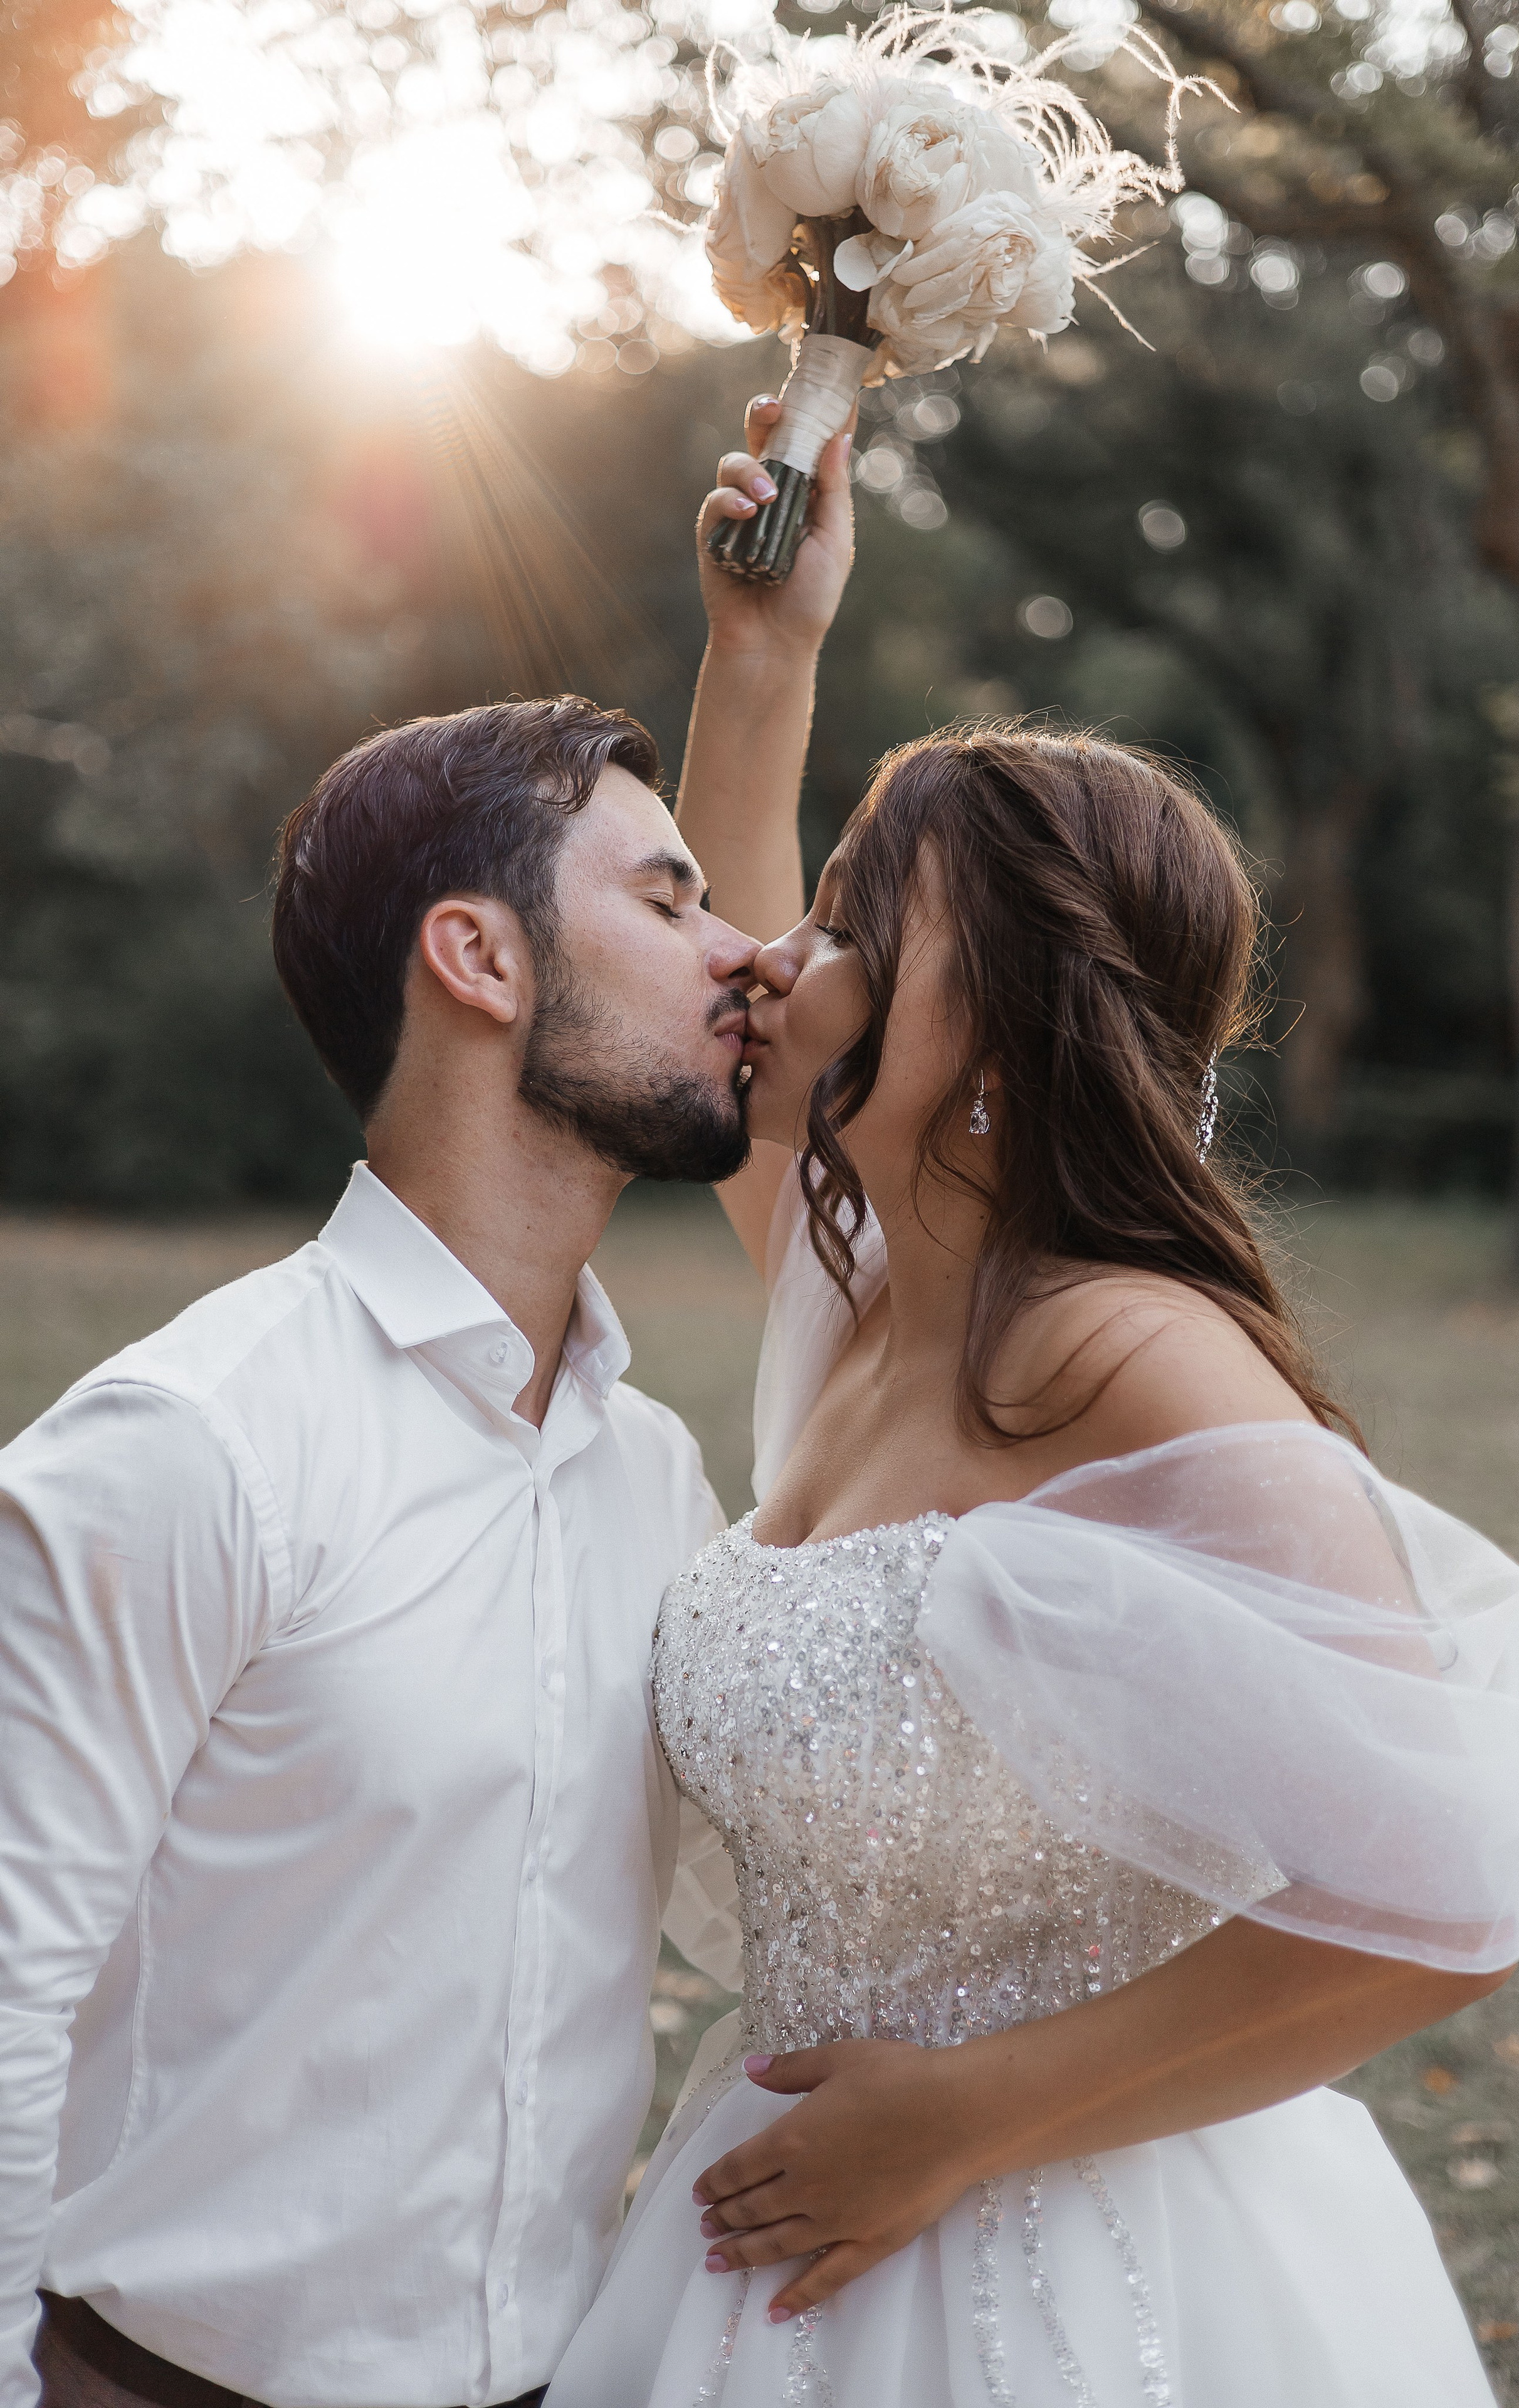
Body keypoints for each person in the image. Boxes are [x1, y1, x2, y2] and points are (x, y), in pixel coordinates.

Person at [545, 413, 1519, 2407]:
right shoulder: (863, 1308)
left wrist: (963, 2121)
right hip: (772, 2229)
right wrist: (762, 650)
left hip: (1079, 2255)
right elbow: (760, 918)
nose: (776, 958)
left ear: (1004, 1028)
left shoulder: (1128, 1352)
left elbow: (1441, 1906)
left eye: (858, 925)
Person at [0, 435, 861, 2408]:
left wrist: (771, 645)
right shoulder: (184, 1452)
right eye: (670, 901)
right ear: (475, 959)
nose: (752, 957)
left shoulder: (656, 1476)